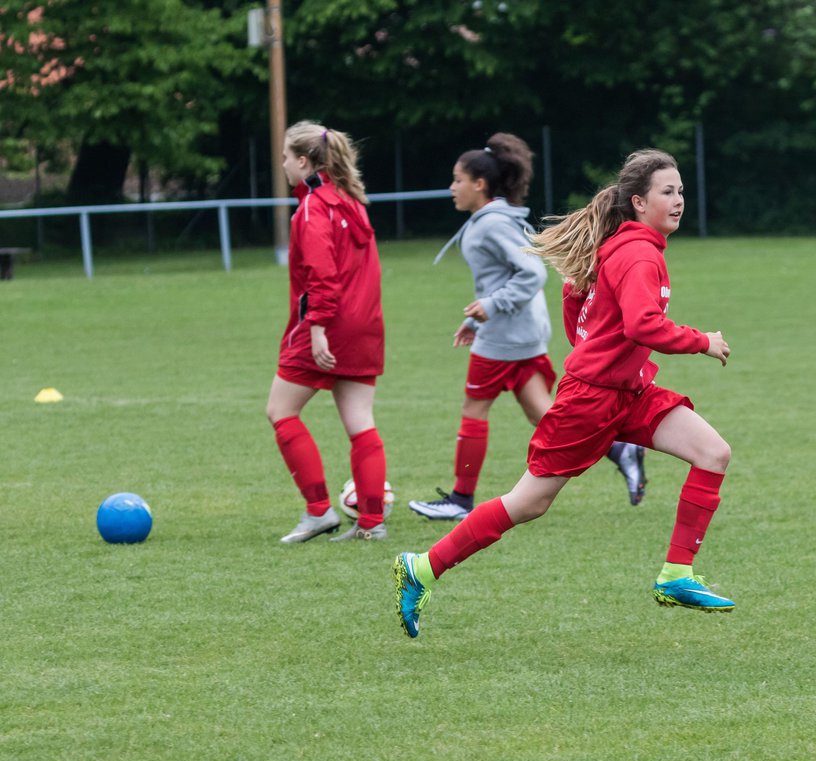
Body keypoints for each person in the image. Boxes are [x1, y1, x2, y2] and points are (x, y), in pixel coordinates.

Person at [393, 148, 735, 638]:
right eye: (667, 192)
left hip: (629, 391)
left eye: (680, 190)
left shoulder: (626, 247)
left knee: (712, 452)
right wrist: (703, 341)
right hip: (591, 400)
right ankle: (422, 567)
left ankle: (676, 575)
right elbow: (643, 325)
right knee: (527, 503)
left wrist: (585, 310)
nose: (678, 200)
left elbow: (581, 321)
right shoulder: (638, 254)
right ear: (638, 202)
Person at [408, 133, 647, 523]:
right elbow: (503, 278)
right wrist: (475, 316)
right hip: (525, 330)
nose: (452, 187)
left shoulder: (488, 225)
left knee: (474, 410)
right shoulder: (497, 219)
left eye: (457, 180)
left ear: (479, 184)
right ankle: (621, 449)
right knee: (543, 412)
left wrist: (490, 306)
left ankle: (460, 499)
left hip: (505, 337)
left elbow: (531, 273)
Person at [267, 120, 388, 543]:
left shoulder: (314, 209)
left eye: (285, 156)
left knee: (280, 412)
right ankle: (372, 522)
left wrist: (317, 329)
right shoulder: (353, 202)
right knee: (360, 422)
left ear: (303, 161)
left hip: (328, 323)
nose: (282, 164)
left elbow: (322, 276)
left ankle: (318, 510)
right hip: (364, 326)